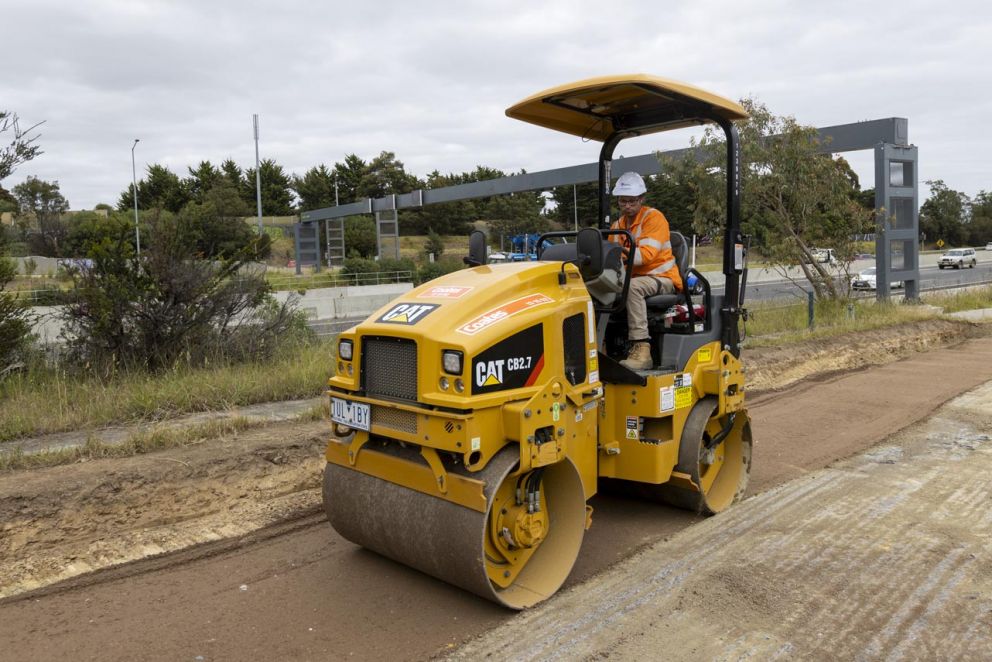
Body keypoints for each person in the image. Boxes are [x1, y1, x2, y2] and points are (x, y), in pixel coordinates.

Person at [609, 172, 683, 370]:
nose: (627, 205)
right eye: (623, 201)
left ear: (641, 198)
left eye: (632, 201)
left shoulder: (653, 218)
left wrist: (618, 254)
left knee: (632, 288)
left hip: (662, 279)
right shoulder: (617, 226)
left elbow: (645, 256)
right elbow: (610, 258)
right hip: (633, 280)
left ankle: (642, 349)